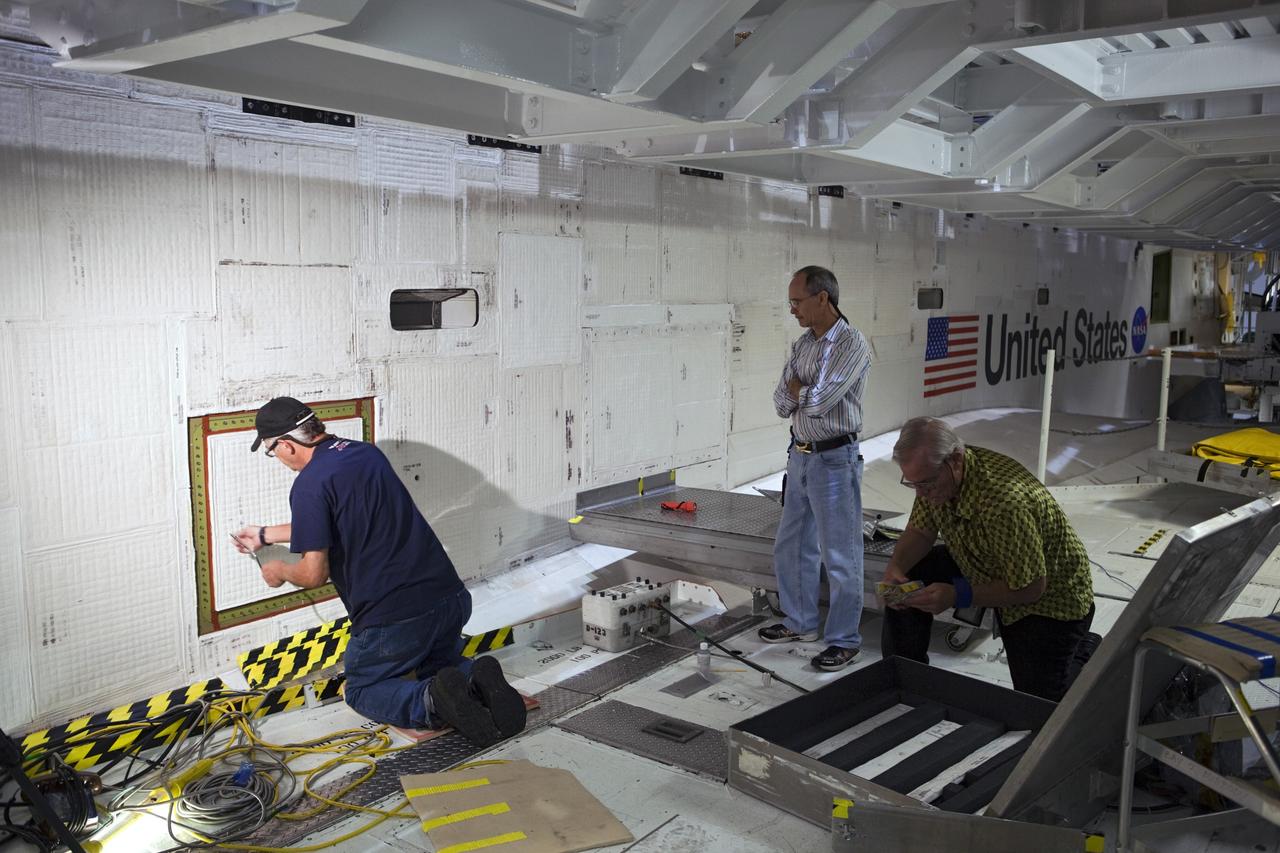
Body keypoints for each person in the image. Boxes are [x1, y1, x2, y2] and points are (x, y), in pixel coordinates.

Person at [233, 397, 525, 746]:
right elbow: (331, 519)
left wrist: (279, 569)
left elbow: (314, 574)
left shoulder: (308, 485)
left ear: (286, 444)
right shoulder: (362, 453)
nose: (276, 459)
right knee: (439, 667)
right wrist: (265, 534)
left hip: (395, 619)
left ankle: (429, 702)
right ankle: (474, 677)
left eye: (271, 451)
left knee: (362, 689)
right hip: (450, 599)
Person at [881, 416, 1098, 701]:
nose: (922, 493)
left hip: (1049, 599)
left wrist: (957, 594)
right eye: (913, 485)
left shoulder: (1004, 501)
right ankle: (907, 677)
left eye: (927, 484)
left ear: (955, 461)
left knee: (1040, 700)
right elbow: (922, 531)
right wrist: (896, 568)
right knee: (912, 573)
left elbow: (1031, 587)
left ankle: (1086, 651)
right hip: (984, 559)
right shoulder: (934, 477)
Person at [758, 266, 872, 671]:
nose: (792, 310)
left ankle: (844, 639)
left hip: (835, 461)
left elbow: (821, 402)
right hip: (800, 456)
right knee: (791, 545)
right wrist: (802, 391)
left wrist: (799, 389)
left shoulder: (852, 344)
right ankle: (800, 621)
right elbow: (779, 402)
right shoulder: (803, 344)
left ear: (822, 298)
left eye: (797, 301)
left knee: (840, 554)